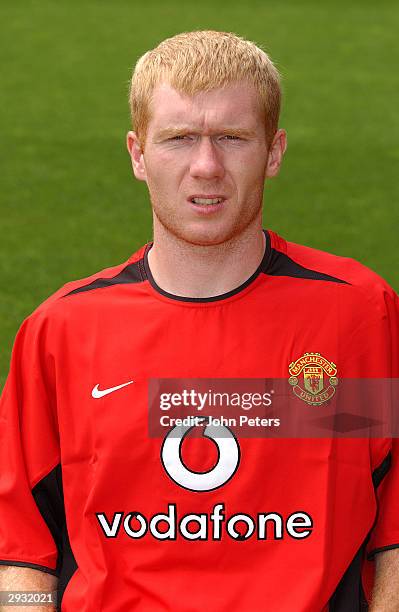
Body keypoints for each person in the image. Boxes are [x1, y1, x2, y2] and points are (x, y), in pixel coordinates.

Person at [0, 29, 398, 612]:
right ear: (138, 154)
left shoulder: (356, 314)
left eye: (232, 138)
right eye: (179, 138)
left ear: (275, 150)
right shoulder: (63, 330)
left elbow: (393, 535)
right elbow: (22, 557)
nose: (206, 167)